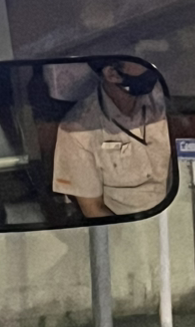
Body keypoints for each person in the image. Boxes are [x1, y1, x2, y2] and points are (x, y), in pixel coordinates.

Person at [51, 59, 171, 218]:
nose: (149, 63)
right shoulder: (77, 129)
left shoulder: (163, 99)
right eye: (138, 59)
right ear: (112, 74)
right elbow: (93, 209)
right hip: (130, 227)